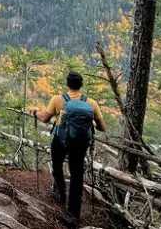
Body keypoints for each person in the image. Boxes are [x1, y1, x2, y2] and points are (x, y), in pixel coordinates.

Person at [32, 71, 107, 222]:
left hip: (61, 140)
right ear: (81, 85)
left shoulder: (58, 100)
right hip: (80, 142)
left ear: (68, 84)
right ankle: (73, 213)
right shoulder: (91, 103)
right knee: (77, 174)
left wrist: (34, 112)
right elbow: (102, 127)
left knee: (57, 166)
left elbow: (45, 118)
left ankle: (60, 193)